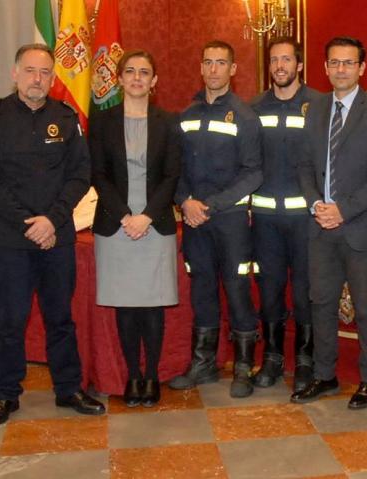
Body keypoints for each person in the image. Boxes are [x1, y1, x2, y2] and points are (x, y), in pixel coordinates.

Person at [0, 43, 105, 427]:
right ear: (15, 73)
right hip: (11, 240)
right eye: (30, 70)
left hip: (57, 237)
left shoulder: (65, 118)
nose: (37, 78)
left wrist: (52, 220)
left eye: (45, 72)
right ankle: (6, 394)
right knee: (11, 319)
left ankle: (68, 388)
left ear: (53, 77)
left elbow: (81, 174)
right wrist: (32, 224)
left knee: (60, 317)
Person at [291, 36, 367, 409]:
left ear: (361, 68)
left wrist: (343, 209)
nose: (341, 69)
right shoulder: (315, 108)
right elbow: (304, 166)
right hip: (320, 225)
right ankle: (325, 376)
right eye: (334, 63)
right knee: (319, 302)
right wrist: (316, 204)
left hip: (362, 228)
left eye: (348, 63)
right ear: (324, 68)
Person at [169, 40, 263, 398]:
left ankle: (243, 366)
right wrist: (184, 202)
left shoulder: (244, 116)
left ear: (233, 69)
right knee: (202, 290)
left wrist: (211, 205)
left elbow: (253, 173)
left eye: (221, 63)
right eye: (207, 62)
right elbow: (175, 170)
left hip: (230, 220)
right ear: (201, 67)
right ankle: (203, 363)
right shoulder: (187, 115)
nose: (213, 70)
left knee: (238, 290)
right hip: (195, 221)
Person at [89, 50, 181, 408]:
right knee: (127, 306)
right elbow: (98, 174)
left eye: (145, 72)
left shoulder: (168, 122)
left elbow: (173, 175)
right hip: (116, 225)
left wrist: (146, 216)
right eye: (130, 71)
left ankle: (152, 375)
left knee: (153, 305)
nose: (137, 78)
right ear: (119, 78)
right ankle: (132, 375)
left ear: (154, 81)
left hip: (154, 225)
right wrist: (126, 215)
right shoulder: (102, 121)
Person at [249, 37, 323, 392]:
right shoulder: (254, 108)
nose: (280, 66)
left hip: (306, 222)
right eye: (274, 60)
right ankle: (273, 357)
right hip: (265, 222)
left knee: (307, 292)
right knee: (270, 291)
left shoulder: (320, 105)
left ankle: (306, 359)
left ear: (299, 65)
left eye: (286, 60)